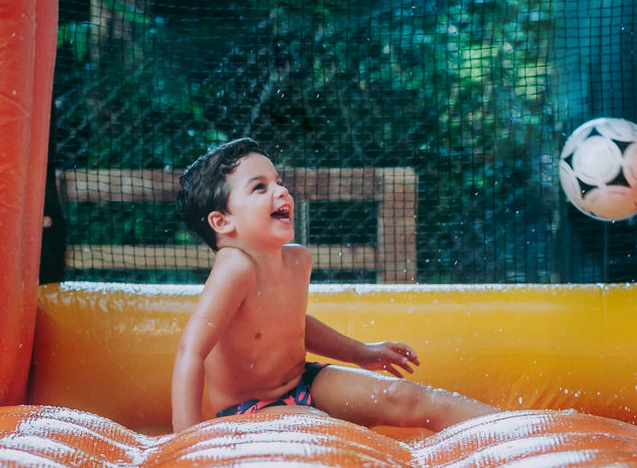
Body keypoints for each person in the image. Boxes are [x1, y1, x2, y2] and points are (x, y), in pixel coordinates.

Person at [171, 137, 497, 434]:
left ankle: (511, 429)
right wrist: (187, 439)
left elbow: (292, 325)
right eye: (260, 187)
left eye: (279, 182)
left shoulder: (296, 261)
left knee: (402, 396)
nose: (281, 192)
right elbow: (191, 351)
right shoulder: (234, 268)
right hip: (247, 412)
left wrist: (361, 353)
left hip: (305, 381)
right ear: (222, 221)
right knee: (319, 428)